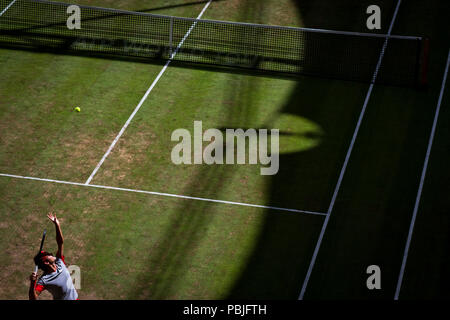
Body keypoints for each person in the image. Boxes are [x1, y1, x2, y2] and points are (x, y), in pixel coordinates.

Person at [29, 213, 78, 300]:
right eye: (48, 255)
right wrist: (33, 283)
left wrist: (57, 225)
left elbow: (60, 243)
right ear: (46, 262)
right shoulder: (44, 280)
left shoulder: (59, 262)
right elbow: (33, 298)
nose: (51, 254)